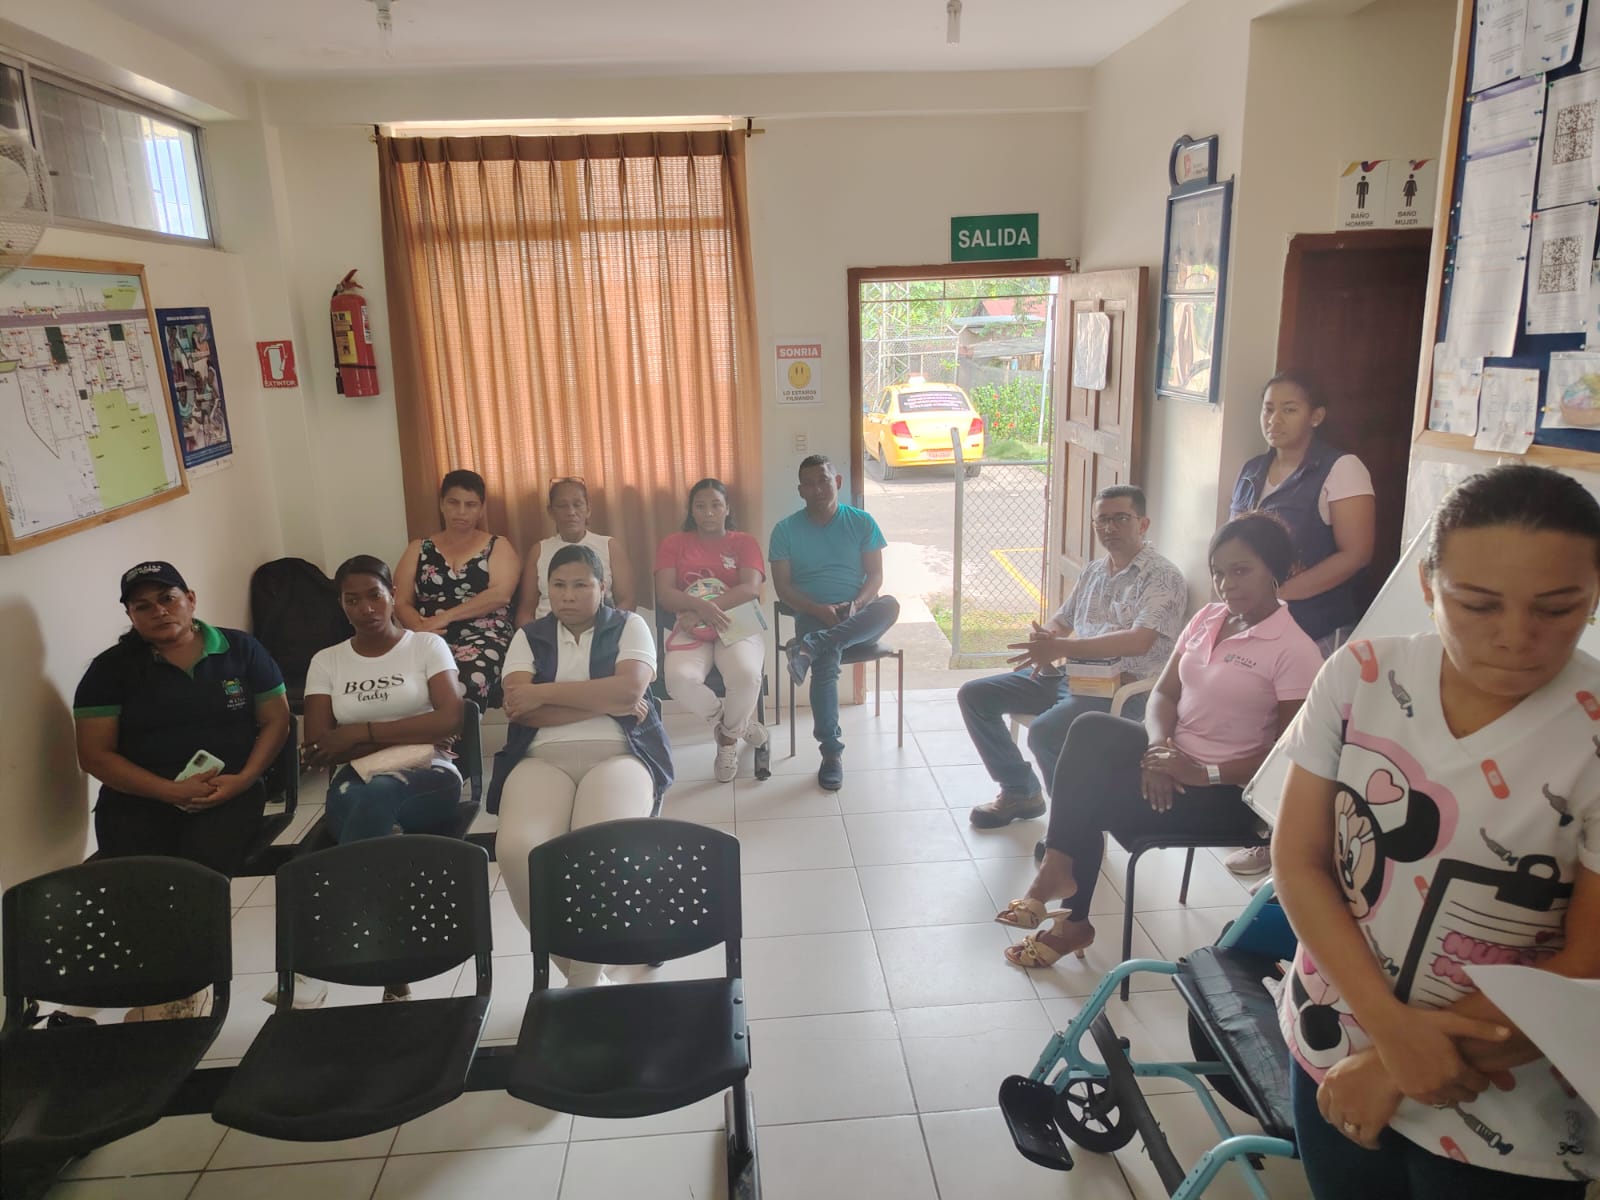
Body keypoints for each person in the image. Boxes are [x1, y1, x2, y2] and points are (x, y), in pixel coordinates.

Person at [1271, 465, 1600, 1196]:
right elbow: (1298, 861)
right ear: (1427, 585)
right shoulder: (1359, 675)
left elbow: (1588, 960)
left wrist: (1393, 1066)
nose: (1515, 637)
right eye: (1477, 604)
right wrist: (1387, 1031)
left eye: (1558, 608)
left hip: (1508, 1103)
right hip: (1335, 1046)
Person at [997, 513, 1322, 967]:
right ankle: (1060, 876)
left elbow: (1286, 756)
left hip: (1224, 792)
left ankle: (1069, 913)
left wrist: (1201, 772)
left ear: (1276, 570)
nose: (1226, 584)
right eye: (1218, 572)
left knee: (1086, 797)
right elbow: (1164, 694)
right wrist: (1157, 749)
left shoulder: (1295, 650)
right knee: (1089, 728)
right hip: (1170, 758)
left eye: (1241, 570)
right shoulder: (1209, 618)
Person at [74, 561, 292, 1020]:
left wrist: (246, 778)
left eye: (167, 598)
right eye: (142, 606)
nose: (159, 611)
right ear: (130, 615)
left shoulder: (240, 649)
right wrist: (166, 791)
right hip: (140, 797)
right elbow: (95, 755)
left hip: (229, 790)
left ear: (190, 600)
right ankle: (159, 983)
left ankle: (188, 986)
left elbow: (277, 719)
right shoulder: (110, 669)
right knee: (141, 881)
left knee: (197, 876)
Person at [490, 543, 673, 987]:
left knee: (597, 851)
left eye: (580, 585)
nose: (568, 595)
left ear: (602, 587)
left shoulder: (630, 626)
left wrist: (544, 693)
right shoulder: (529, 635)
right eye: (558, 585)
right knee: (517, 850)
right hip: (540, 757)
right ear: (546, 589)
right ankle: (583, 973)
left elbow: (629, 692)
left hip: (620, 753)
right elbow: (519, 708)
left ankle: (584, 984)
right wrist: (605, 700)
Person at [961, 484, 1187, 830]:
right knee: (975, 696)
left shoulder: (1163, 577)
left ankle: (1073, 832)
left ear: (1143, 524)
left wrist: (1062, 649)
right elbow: (1063, 621)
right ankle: (1021, 791)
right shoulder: (1094, 571)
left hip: (1124, 690)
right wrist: (1046, 639)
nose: (1109, 528)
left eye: (1121, 518)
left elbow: (1139, 641)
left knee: (1045, 733)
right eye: (1101, 520)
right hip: (1076, 677)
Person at [1226, 369, 1376, 877]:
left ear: (1316, 416)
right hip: (1258, 627)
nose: (1275, 419)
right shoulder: (1252, 470)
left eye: (1289, 409)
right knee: (1264, 726)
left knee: (1306, 736)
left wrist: (1280, 594)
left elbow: (1356, 554)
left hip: (1316, 628)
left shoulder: (1340, 468)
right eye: (1268, 408)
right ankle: (1260, 829)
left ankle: (1286, 846)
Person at [770, 454, 901, 791]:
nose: (817, 489)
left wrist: (856, 604)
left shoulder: (862, 522)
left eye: (823, 481)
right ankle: (831, 753)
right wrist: (817, 609)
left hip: (856, 617)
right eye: (809, 484)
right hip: (811, 616)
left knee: (889, 605)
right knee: (826, 664)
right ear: (800, 490)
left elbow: (875, 576)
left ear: (837, 482)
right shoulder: (784, 530)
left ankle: (811, 648)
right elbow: (783, 588)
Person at [655, 478, 770, 782]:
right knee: (679, 679)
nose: (708, 512)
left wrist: (705, 608)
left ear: (727, 508)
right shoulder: (673, 544)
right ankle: (738, 726)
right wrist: (696, 611)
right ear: (691, 510)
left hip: (736, 622)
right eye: (700, 506)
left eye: (716, 505)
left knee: (746, 674)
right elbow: (665, 593)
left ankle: (727, 743)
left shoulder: (744, 542)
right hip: (690, 626)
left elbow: (750, 588)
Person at [394, 469, 520, 709]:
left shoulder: (498, 545)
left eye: (470, 505)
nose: (461, 511)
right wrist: (419, 626)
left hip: (484, 635)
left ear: (481, 509)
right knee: (405, 684)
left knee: (466, 681)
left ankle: (457, 733)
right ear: (442, 504)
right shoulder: (418, 548)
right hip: (427, 636)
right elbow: (400, 601)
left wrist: (444, 617)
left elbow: (500, 595)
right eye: (454, 502)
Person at [514, 477, 635, 625]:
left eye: (577, 505)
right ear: (551, 512)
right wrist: (532, 635)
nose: (571, 512)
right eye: (562, 506)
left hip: (601, 629)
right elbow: (526, 611)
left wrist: (607, 630)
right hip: (547, 631)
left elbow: (627, 602)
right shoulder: (539, 551)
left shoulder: (610, 546)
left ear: (588, 509)